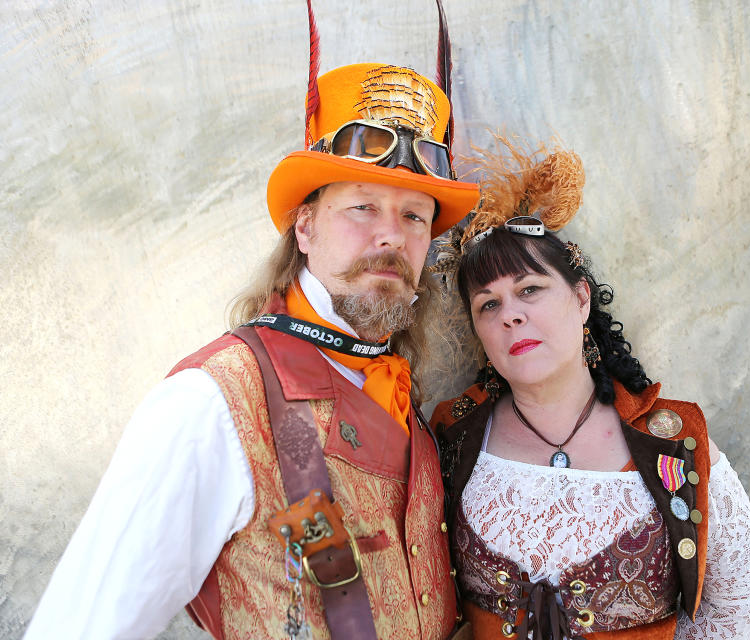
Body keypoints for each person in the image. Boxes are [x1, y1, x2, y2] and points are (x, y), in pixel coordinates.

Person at [24, 5, 480, 640]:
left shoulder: (413, 409)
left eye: (414, 216)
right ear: (306, 225)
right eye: (363, 206)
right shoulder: (213, 399)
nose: (390, 236)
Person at [430, 142, 750, 639]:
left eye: (530, 289)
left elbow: (742, 607)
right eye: (488, 304)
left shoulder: (675, 444)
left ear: (580, 298)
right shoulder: (454, 434)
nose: (510, 313)